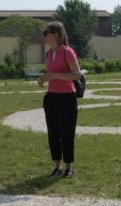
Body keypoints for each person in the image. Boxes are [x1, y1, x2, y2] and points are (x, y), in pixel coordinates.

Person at [37, 21, 82, 178]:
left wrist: (54, 76)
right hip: (51, 98)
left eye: (46, 33)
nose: (44, 35)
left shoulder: (67, 52)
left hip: (66, 98)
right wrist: (42, 79)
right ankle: (58, 167)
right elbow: (50, 73)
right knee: (53, 133)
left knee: (67, 133)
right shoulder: (49, 53)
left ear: (55, 35)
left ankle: (69, 167)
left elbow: (77, 74)